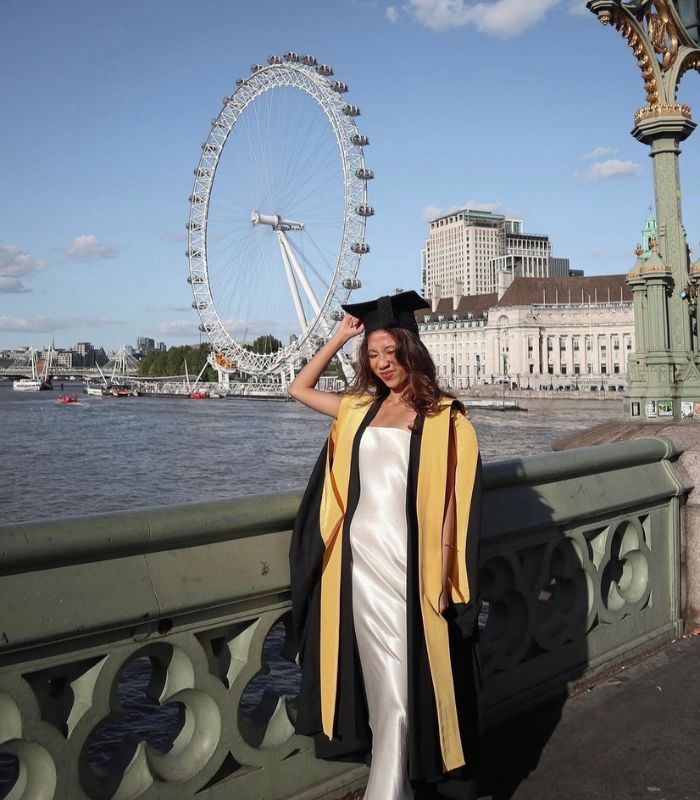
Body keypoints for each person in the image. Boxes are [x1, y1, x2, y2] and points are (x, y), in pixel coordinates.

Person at [289, 290, 483, 800]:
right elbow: (299, 387)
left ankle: (391, 789)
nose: (382, 365)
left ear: (410, 352)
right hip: (356, 562)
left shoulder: (446, 418)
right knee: (378, 680)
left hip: (410, 563)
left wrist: (444, 574)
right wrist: (338, 337)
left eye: (390, 354)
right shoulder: (356, 408)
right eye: (373, 356)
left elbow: (451, 504)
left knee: (401, 684)